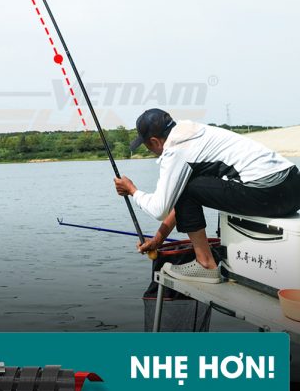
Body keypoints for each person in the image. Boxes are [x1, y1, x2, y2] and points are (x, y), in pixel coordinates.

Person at [114, 108, 300, 282]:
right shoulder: (193, 131)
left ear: (155, 141)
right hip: (293, 187)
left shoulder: (176, 150)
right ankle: (205, 261)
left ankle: (206, 265)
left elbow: (159, 209)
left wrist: (132, 190)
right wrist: (158, 240)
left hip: (269, 192)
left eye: (147, 146)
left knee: (188, 188)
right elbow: (181, 198)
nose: (150, 151)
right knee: (188, 187)